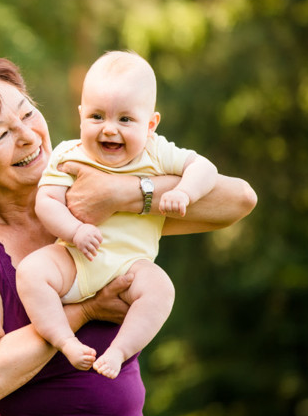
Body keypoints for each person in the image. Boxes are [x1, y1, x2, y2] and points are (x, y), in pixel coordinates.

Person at [0, 45, 256, 416]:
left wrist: (121, 195)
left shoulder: (89, 178)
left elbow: (238, 200)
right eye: (1, 134)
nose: (27, 136)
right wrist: (87, 309)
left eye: (27, 114)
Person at [15, 50, 217, 380]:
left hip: (130, 267)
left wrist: (183, 192)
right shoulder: (69, 154)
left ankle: (119, 351)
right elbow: (46, 201)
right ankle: (64, 340)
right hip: (76, 259)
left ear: (150, 124)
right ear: (80, 115)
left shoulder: (156, 151)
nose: (109, 129)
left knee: (161, 289)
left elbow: (204, 167)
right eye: (97, 117)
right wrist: (75, 230)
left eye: (125, 119)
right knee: (31, 272)